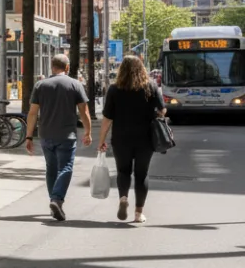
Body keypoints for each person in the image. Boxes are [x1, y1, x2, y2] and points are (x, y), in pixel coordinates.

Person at [98, 56, 165, 224]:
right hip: (146, 138)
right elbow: (162, 110)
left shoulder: (114, 89)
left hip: (121, 138)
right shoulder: (151, 86)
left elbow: (107, 118)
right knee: (141, 174)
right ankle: (138, 213)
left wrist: (101, 140)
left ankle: (123, 198)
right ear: (141, 68)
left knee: (123, 171)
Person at [25, 54, 92, 221]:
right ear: (67, 68)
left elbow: (33, 113)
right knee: (66, 168)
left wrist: (28, 137)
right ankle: (56, 199)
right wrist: (88, 131)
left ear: (52, 67)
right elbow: (84, 111)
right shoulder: (75, 84)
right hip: (66, 135)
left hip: (46, 135)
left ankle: (54, 201)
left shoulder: (41, 85)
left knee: (51, 169)